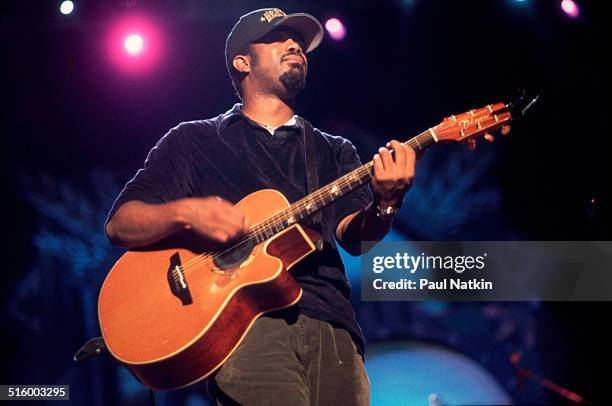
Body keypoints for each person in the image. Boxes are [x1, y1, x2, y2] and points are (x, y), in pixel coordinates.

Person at [105, 7, 415, 406]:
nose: (295, 46)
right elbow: (121, 224)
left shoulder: (333, 150)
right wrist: (186, 212)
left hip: (334, 327)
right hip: (245, 327)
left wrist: (387, 203)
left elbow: (355, 237)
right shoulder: (193, 141)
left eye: (300, 42)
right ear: (242, 61)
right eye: (278, 38)